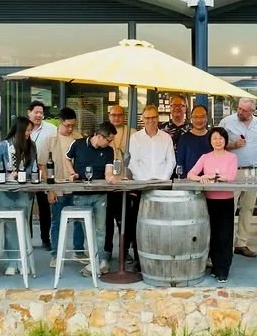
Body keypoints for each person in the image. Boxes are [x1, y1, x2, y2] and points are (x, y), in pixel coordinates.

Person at [218, 97, 257, 259]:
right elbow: (216, 143)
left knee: (248, 208)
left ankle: (241, 243)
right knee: (229, 208)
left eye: (244, 110)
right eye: (239, 108)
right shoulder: (226, 122)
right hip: (232, 171)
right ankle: (227, 243)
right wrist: (233, 145)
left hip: (253, 172)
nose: (240, 112)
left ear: (252, 112)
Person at [63, 122, 117, 277]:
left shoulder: (108, 151)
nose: (110, 143)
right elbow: (67, 158)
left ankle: (99, 261)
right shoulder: (78, 144)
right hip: (81, 194)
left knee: (101, 230)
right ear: (99, 136)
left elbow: (108, 171)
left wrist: (110, 177)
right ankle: (96, 262)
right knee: (89, 231)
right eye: (109, 140)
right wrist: (72, 173)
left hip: (100, 194)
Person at [127, 106, 176, 270]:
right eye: (147, 118)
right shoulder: (135, 138)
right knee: (139, 224)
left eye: (153, 117)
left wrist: (161, 180)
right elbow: (133, 163)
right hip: (142, 186)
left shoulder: (166, 138)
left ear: (158, 118)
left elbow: (171, 161)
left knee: (162, 224)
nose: (150, 121)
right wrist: (146, 181)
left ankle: (162, 256)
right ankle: (139, 260)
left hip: (162, 186)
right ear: (142, 119)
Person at [187, 127, 239, 283]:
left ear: (225, 140)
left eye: (221, 138)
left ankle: (223, 269)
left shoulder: (232, 157)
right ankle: (214, 266)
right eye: (215, 138)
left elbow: (231, 177)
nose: (218, 141)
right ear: (210, 141)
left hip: (226, 200)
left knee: (225, 235)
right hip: (208, 200)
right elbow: (191, 174)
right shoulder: (205, 157)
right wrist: (202, 178)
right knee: (212, 234)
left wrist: (218, 177)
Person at [0, 117, 36, 276]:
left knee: (23, 225)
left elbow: (32, 168)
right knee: (10, 227)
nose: (29, 133)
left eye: (30, 130)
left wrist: (22, 174)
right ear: (19, 130)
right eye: (27, 130)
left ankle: (23, 260)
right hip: (6, 191)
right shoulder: (3, 146)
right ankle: (13, 261)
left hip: (24, 190)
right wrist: (9, 174)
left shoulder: (31, 146)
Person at [44, 107, 79, 265]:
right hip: (57, 185)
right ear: (60, 122)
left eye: (72, 125)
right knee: (57, 221)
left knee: (79, 221)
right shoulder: (50, 138)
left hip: (76, 186)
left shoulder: (78, 138)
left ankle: (79, 251)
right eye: (67, 125)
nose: (70, 128)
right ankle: (56, 254)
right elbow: (42, 165)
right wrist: (49, 189)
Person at [27, 101, 57, 250]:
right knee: (27, 205)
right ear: (29, 112)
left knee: (44, 207)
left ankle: (46, 238)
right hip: (26, 172)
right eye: (36, 112)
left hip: (44, 171)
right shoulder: (23, 128)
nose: (39, 115)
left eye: (41, 112)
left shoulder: (51, 129)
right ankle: (27, 239)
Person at [104, 104, 131, 261]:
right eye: (113, 115)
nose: (116, 118)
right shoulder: (103, 132)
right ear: (109, 116)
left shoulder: (131, 133)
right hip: (108, 182)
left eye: (120, 115)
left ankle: (124, 251)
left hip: (125, 181)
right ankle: (107, 251)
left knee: (124, 220)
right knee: (107, 220)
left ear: (124, 116)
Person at [176, 105, 212, 178]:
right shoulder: (184, 139)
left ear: (207, 118)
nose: (199, 120)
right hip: (189, 182)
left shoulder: (213, 138)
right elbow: (180, 163)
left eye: (202, 117)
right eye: (195, 117)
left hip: (210, 182)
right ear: (191, 119)